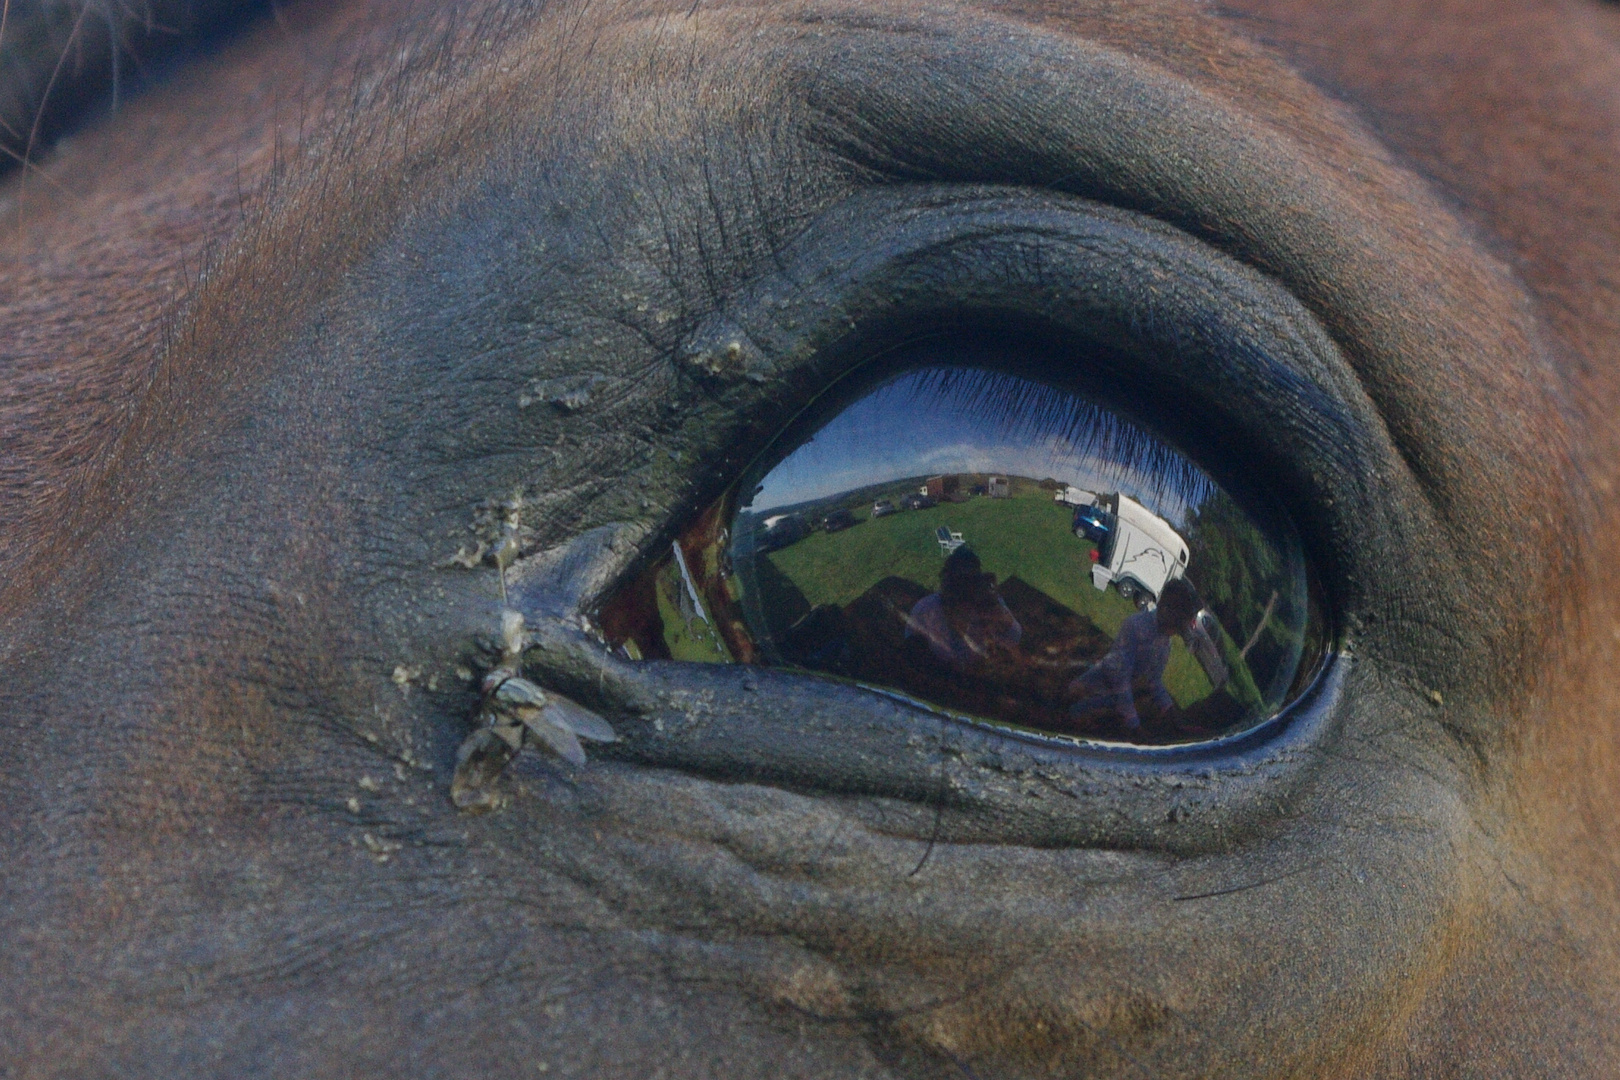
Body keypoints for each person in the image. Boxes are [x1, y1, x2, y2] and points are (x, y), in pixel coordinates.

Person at [1067, 577, 1204, 732]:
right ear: (1165, 609)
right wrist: (1134, 725)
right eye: (1178, 625)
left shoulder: (1165, 644)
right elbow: (1119, 677)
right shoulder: (1135, 626)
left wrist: (1172, 713)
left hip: (1116, 700)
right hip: (1096, 686)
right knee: (1073, 715)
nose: (1177, 632)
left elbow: (1154, 681)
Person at [904, 546, 1022, 670]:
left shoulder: (988, 605)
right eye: (957, 582)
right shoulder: (927, 609)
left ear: (977, 583)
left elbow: (1014, 638)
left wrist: (992, 606)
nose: (961, 590)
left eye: (968, 582)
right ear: (945, 582)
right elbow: (912, 652)